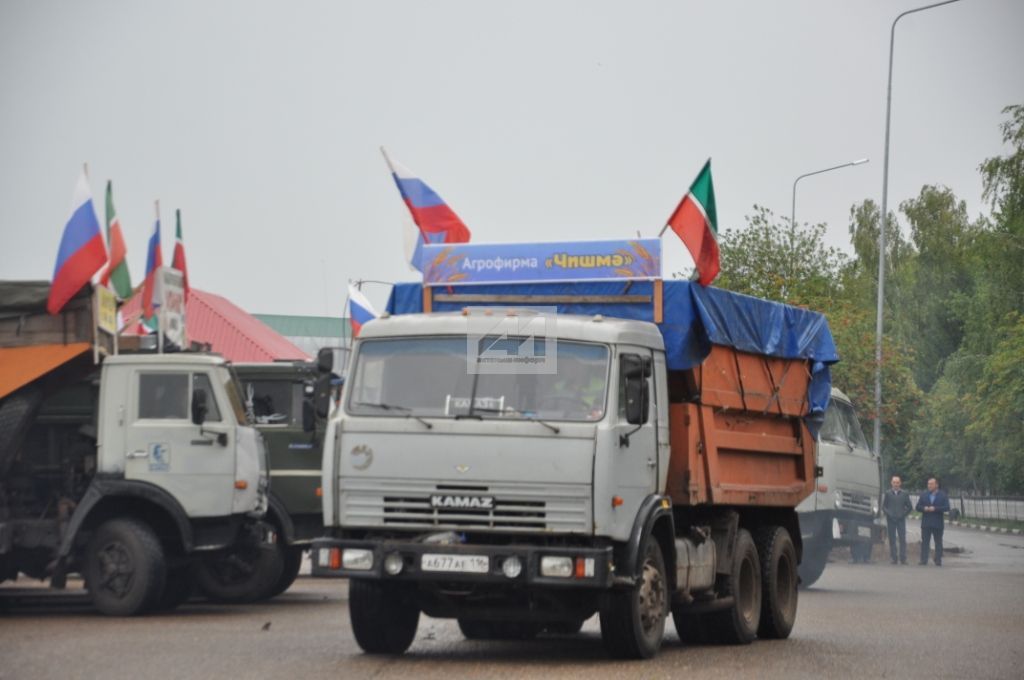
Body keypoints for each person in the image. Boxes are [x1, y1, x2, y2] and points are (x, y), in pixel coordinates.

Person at [916, 477, 950, 566]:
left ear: (936, 485)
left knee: (938, 542)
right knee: (925, 542)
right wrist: (924, 508)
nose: (929, 486)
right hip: (926, 523)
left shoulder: (943, 495)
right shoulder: (924, 495)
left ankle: (938, 559)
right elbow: (918, 507)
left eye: (931, 484)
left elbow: (947, 507)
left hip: (937, 523)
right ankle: (923, 560)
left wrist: (935, 508)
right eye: (928, 484)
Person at [882, 474, 913, 564]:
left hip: (901, 520)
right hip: (891, 520)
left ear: (900, 483)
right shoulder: (888, 493)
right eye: (894, 482)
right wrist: (889, 514)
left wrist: (903, 514)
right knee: (892, 539)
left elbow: (909, 507)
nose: (896, 484)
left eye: (897, 482)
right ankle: (893, 558)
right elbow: (884, 507)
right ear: (891, 483)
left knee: (902, 539)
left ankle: (903, 558)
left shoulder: (904, 494)